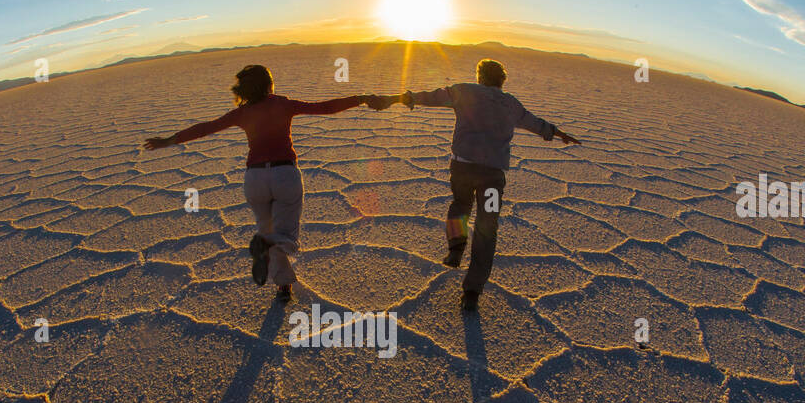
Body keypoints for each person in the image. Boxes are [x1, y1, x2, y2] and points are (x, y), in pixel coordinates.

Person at [144, 64, 390, 303]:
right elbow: (324, 108)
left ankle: (283, 285)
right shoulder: (282, 104)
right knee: (286, 236)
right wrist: (360, 98)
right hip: (284, 175)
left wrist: (168, 141)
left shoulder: (242, 113)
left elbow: (206, 128)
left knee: (268, 230)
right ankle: (272, 244)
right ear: (268, 85)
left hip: (255, 179)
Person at [372, 59, 581, 311]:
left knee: (460, 203)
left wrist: (400, 98)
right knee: (487, 226)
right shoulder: (511, 104)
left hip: (462, 167)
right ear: (502, 80)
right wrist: (560, 135)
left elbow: (432, 96)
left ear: (480, 76)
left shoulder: (464, 91)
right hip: (492, 176)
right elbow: (536, 123)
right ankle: (472, 291)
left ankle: (455, 249)